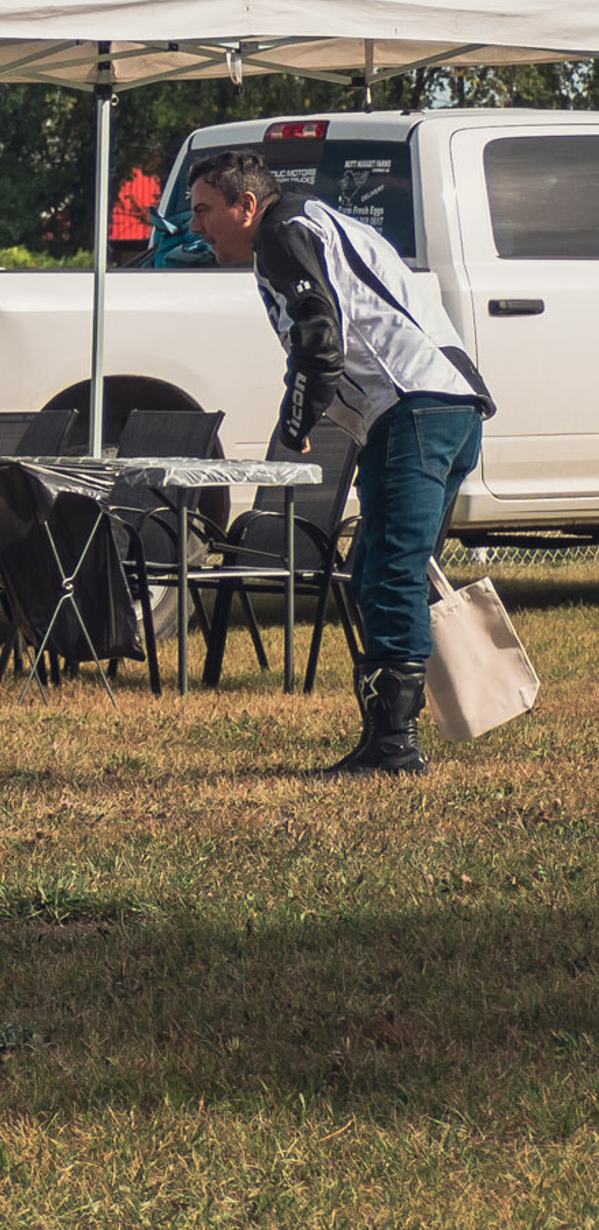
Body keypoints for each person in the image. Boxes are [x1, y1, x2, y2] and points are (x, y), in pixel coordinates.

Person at [187, 149, 493, 777]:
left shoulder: (281, 233)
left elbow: (320, 340)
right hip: (447, 403)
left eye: (202, 210)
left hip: (413, 406)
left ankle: (394, 748)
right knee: (382, 567)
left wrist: (295, 422)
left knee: (386, 574)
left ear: (245, 205)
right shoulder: (314, 220)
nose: (194, 225)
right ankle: (395, 735)